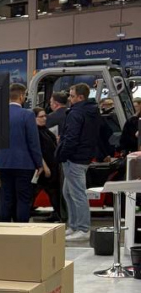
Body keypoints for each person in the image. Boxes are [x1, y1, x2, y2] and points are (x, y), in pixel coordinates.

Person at [0, 84, 43, 223]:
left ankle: (4, 227)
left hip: (4, 163)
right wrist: (39, 163)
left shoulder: (0, 115)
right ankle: (21, 228)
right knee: (23, 199)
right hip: (24, 164)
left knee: (6, 197)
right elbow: (33, 142)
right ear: (21, 96)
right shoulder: (27, 115)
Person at [57, 82, 100, 242]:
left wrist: (62, 154)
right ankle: (74, 226)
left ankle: (83, 228)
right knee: (68, 193)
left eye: (72, 96)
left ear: (80, 97)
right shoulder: (92, 111)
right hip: (82, 157)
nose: (70, 98)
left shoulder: (76, 113)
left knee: (77, 194)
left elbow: (71, 137)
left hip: (74, 159)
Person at [33, 108, 63, 222]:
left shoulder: (45, 130)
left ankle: (58, 214)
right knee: (47, 191)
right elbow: (37, 150)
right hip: (44, 168)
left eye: (45, 116)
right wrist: (44, 167)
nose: (44, 118)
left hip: (53, 166)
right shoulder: (35, 132)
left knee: (54, 192)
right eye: (41, 116)